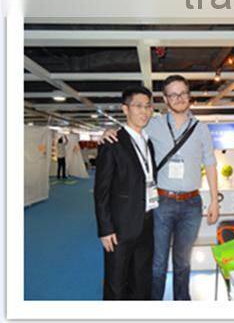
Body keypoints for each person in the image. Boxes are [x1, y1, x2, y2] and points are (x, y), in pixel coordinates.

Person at [100, 75, 219, 301]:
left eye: (183, 93)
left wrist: (214, 200)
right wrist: (108, 131)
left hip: (192, 205)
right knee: (157, 263)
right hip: (162, 203)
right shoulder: (153, 124)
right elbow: (130, 131)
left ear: (189, 96)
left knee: (183, 262)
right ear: (165, 99)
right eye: (173, 94)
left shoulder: (201, 129)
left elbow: (210, 163)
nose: (179, 98)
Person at [93, 86, 157, 300]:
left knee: (141, 282)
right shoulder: (112, 142)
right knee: (116, 284)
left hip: (146, 223)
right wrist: (105, 229)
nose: (144, 111)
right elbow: (101, 191)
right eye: (138, 106)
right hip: (120, 228)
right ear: (125, 109)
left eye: (148, 106)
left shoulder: (148, 141)